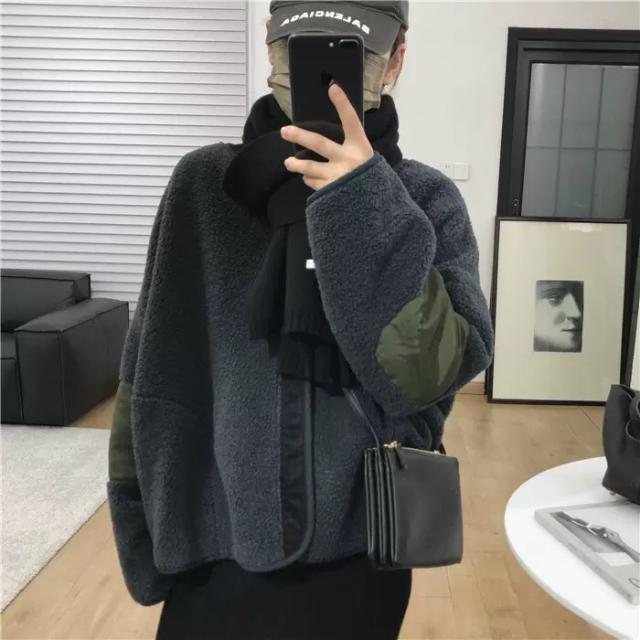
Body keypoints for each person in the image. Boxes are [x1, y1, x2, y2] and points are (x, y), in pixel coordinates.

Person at [105, 2, 495, 639]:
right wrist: (138, 526)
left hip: (357, 556)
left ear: (396, 60)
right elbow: (150, 374)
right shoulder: (206, 186)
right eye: (306, 46)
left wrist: (363, 202)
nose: (329, 77)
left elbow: (426, 378)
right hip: (214, 552)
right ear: (270, 47)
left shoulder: (423, 200)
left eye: (353, 53)